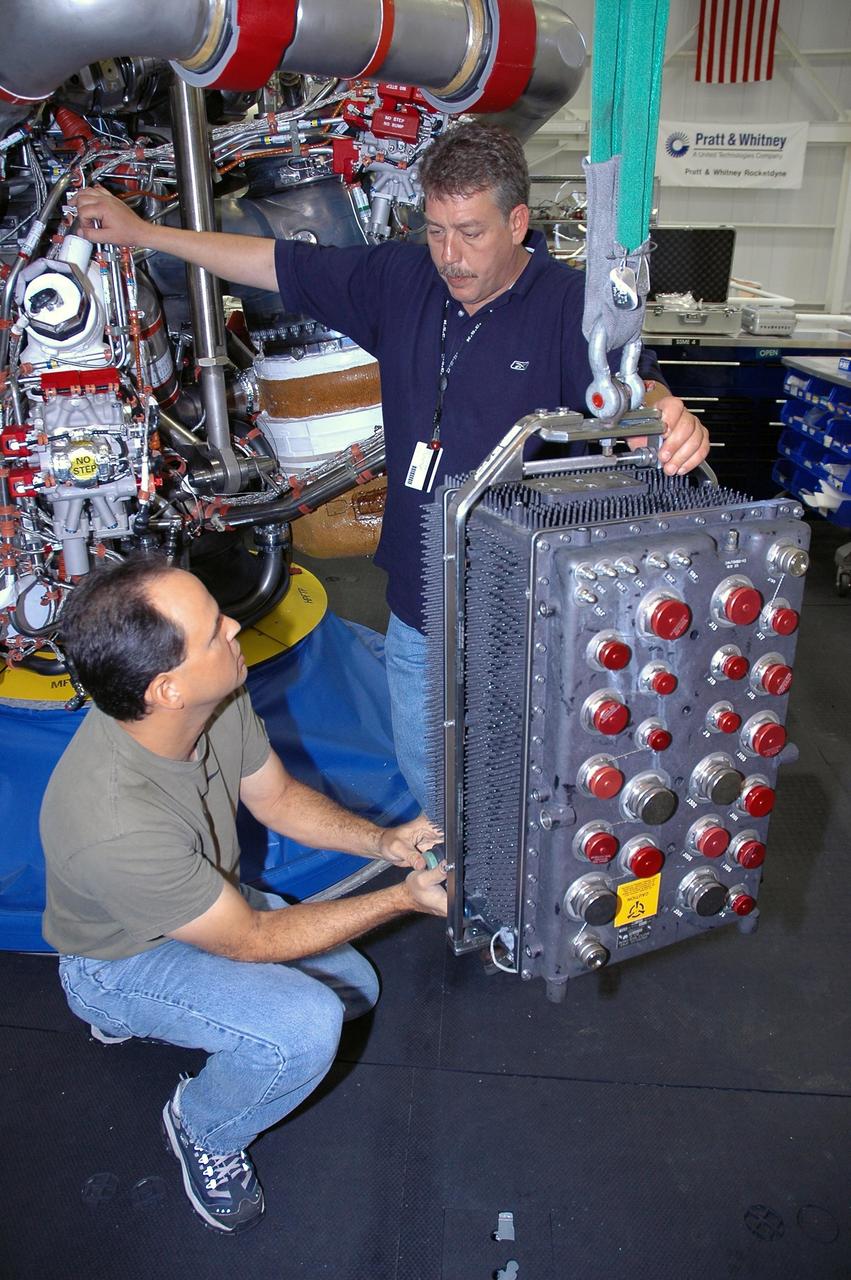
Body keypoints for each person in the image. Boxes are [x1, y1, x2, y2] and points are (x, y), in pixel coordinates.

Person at [71, 123, 710, 811]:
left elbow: (633, 388)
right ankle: (452, 896)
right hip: (418, 602)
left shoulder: (570, 306)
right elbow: (269, 263)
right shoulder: (400, 279)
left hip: (525, 609)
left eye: (470, 231)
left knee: (532, 788)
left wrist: (668, 411)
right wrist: (144, 235)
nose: (450, 255)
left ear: (517, 222)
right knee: (434, 789)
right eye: (435, 230)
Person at [40, 555, 447, 1234]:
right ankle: (204, 1126)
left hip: (208, 903)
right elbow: (248, 942)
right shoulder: (112, 821)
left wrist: (384, 844)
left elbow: (279, 799)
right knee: (304, 1029)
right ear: (166, 688)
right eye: (212, 631)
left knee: (355, 991)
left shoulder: (213, 699)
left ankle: (159, 1020)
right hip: (119, 961)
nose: (233, 625)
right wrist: (400, 899)